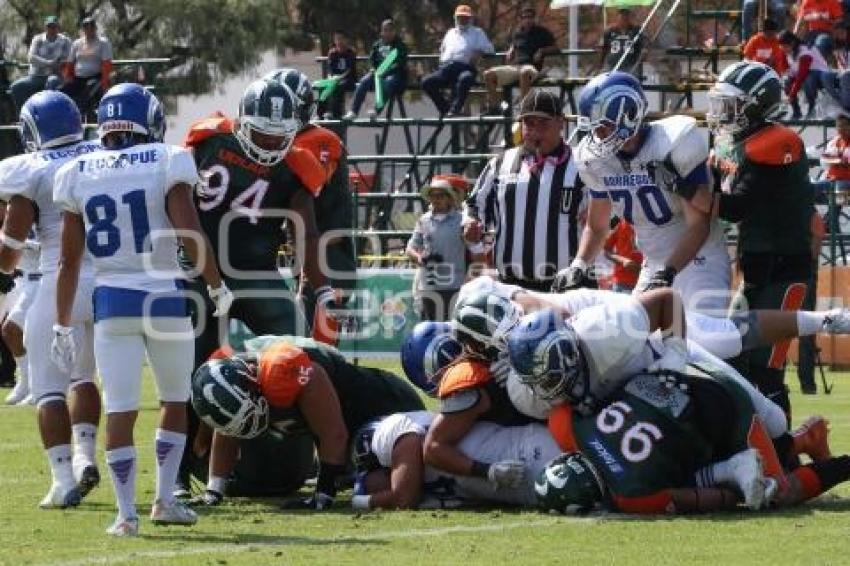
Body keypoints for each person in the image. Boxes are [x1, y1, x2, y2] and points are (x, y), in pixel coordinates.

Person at [52, 83, 232, 536]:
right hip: (165, 296)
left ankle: (125, 515)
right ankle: (165, 500)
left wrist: (60, 323)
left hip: (112, 300)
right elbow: (189, 233)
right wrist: (217, 286)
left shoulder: (77, 170)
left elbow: (69, 260)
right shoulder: (166, 159)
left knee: (121, 410)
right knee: (173, 400)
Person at [539, 364, 844, 514]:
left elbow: (713, 499)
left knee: (777, 493)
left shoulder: (630, 496)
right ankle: (804, 440)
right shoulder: (566, 430)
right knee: (689, 456)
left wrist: (738, 491)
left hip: (729, 410)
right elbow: (562, 403)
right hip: (689, 366)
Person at [699, 60, 816, 422]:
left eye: (731, 103)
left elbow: (735, 208)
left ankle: (782, 461)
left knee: (767, 371)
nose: (722, 112)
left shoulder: (778, 142)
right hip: (755, 271)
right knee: (733, 359)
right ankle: (754, 449)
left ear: (755, 105)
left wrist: (687, 191)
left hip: (784, 273)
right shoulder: (736, 143)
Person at [0, 91, 102, 509]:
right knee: (84, 378)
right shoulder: (103, 155)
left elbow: (8, 257)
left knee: (48, 390)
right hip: (108, 283)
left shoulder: (28, 169)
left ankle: (62, 479)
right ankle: (85, 456)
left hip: (55, 282)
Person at [560, 71, 730, 318]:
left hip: (699, 258)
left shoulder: (673, 143)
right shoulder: (596, 160)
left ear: (628, 115)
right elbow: (597, 227)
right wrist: (579, 264)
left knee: (703, 337)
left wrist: (669, 272)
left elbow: (699, 225)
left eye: (604, 128)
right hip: (654, 264)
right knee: (639, 343)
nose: (597, 137)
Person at [189, 334, 425, 508]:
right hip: (337, 422)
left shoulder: (285, 371)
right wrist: (214, 490)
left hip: (386, 407)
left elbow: (334, 434)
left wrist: (322, 496)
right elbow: (229, 426)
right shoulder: (231, 379)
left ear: (253, 383)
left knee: (381, 482)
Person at [463, 90, 585, 292]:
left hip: (567, 288)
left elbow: (607, 218)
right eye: (529, 124)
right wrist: (471, 224)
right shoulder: (501, 163)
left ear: (561, 123)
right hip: (512, 287)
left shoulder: (581, 165)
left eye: (543, 124)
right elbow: (475, 205)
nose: (535, 132)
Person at [351, 410, 560, 510]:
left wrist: (362, 501)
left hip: (529, 452)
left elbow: (403, 498)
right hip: (527, 491)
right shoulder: (423, 487)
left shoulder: (391, 430)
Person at [407, 174, 477, 321]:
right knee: (430, 330)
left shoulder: (463, 221)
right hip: (429, 286)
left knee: (453, 331)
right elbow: (410, 249)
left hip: (455, 286)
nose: (436, 199)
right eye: (432, 195)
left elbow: (475, 249)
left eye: (440, 195)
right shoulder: (423, 220)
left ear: (449, 198)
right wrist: (419, 258)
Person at [421, 4, 494, 116]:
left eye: (465, 17)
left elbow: (490, 49)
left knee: (466, 79)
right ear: (455, 18)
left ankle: (455, 110)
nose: (462, 20)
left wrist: (479, 52)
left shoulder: (477, 32)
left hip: (465, 67)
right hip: (446, 68)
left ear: (470, 19)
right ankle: (445, 109)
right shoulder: (450, 32)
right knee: (426, 82)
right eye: (460, 17)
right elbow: (443, 50)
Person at [482, 6, 558, 113]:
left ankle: (525, 108)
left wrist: (542, 51)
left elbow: (556, 48)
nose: (527, 20)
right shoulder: (517, 33)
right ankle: (499, 107)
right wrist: (511, 49)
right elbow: (515, 44)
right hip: (515, 67)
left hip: (531, 68)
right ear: (521, 19)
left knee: (524, 72)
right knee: (488, 74)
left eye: (530, 17)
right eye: (524, 17)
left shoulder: (542, 32)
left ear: (534, 18)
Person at [344, 19, 409, 120]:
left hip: (394, 76)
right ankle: (353, 111)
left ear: (394, 32)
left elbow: (400, 64)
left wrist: (385, 71)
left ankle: (376, 111)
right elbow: (372, 60)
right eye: (385, 30)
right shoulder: (377, 45)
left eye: (390, 30)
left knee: (388, 83)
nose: (387, 33)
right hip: (377, 74)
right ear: (381, 31)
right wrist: (373, 69)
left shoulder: (400, 46)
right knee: (363, 81)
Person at [1, 235, 39, 406]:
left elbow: (54, 244)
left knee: (18, 330)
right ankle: (26, 383)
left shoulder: (48, 211)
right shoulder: (13, 214)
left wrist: (26, 244)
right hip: (20, 281)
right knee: (10, 331)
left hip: (42, 278)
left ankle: (35, 386)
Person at [9, 16, 71, 116]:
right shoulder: (37, 39)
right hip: (35, 76)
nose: (52, 29)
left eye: (54, 26)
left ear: (58, 27)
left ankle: (46, 115)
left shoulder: (65, 41)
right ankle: (24, 115)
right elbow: (31, 58)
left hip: (55, 75)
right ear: (45, 27)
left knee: (52, 81)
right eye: (49, 26)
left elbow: (68, 59)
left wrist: (57, 64)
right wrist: (49, 63)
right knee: (16, 86)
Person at [61, 17, 112, 119]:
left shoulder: (103, 42)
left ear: (95, 28)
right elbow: (70, 63)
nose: (89, 30)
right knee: (62, 90)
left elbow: (107, 64)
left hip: (95, 77)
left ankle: (82, 113)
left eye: (91, 27)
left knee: (90, 88)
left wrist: (105, 83)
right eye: (86, 28)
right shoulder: (77, 43)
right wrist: (68, 77)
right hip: (78, 78)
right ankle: (64, 115)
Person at [779, 30, 829, 118]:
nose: (783, 49)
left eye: (785, 46)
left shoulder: (805, 51)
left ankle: (812, 106)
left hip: (818, 74)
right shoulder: (786, 51)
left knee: (808, 78)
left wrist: (791, 94)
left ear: (792, 43)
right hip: (802, 74)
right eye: (781, 46)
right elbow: (786, 70)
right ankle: (796, 111)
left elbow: (801, 77)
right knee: (786, 81)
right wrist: (787, 81)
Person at [319, 30, 357, 119]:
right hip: (334, 79)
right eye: (337, 39)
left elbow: (350, 70)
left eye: (341, 39)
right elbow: (330, 70)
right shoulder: (332, 53)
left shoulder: (351, 52)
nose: (339, 42)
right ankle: (320, 113)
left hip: (348, 79)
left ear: (346, 40)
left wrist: (339, 78)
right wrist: (331, 77)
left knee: (338, 86)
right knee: (322, 86)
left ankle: (335, 113)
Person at [596, 9, 644, 76]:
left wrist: (639, 60)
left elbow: (642, 46)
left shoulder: (636, 30)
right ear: (617, 19)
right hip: (612, 65)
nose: (624, 21)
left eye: (626, 18)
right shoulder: (610, 30)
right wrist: (600, 63)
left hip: (630, 66)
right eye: (622, 18)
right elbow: (603, 47)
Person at [603, 217, 642, 293]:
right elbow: (606, 250)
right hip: (622, 282)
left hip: (648, 280)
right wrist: (623, 260)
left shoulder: (654, 226)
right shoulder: (621, 224)